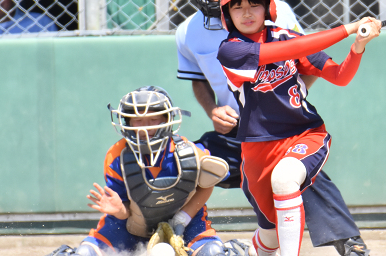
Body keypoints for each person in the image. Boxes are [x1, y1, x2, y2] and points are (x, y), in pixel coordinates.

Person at [176, 0, 370, 256]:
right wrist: (212, 110)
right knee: (187, 160)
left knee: (291, 175)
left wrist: (355, 47)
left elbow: (304, 58)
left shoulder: (282, 23)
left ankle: (344, 239)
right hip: (242, 132)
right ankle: (175, 225)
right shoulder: (195, 34)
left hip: (293, 129)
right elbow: (200, 81)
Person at [216, 0, 381, 256]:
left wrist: (358, 47)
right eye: (237, 6)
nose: (246, 12)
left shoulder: (284, 36)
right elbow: (292, 48)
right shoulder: (231, 50)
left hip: (303, 134)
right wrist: (348, 28)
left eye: (253, 4)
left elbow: (340, 76)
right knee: (270, 235)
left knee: (284, 178)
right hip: (257, 146)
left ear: (268, 6)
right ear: (227, 13)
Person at [47, 86, 247, 256]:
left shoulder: (190, 153)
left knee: (213, 253)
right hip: (129, 225)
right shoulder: (117, 157)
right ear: (128, 123)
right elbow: (125, 211)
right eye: (138, 121)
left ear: (167, 119)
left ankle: (233, 248)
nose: (145, 128)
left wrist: (182, 218)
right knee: (84, 253)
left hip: (186, 223)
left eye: (153, 120)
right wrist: (119, 211)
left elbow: (207, 186)